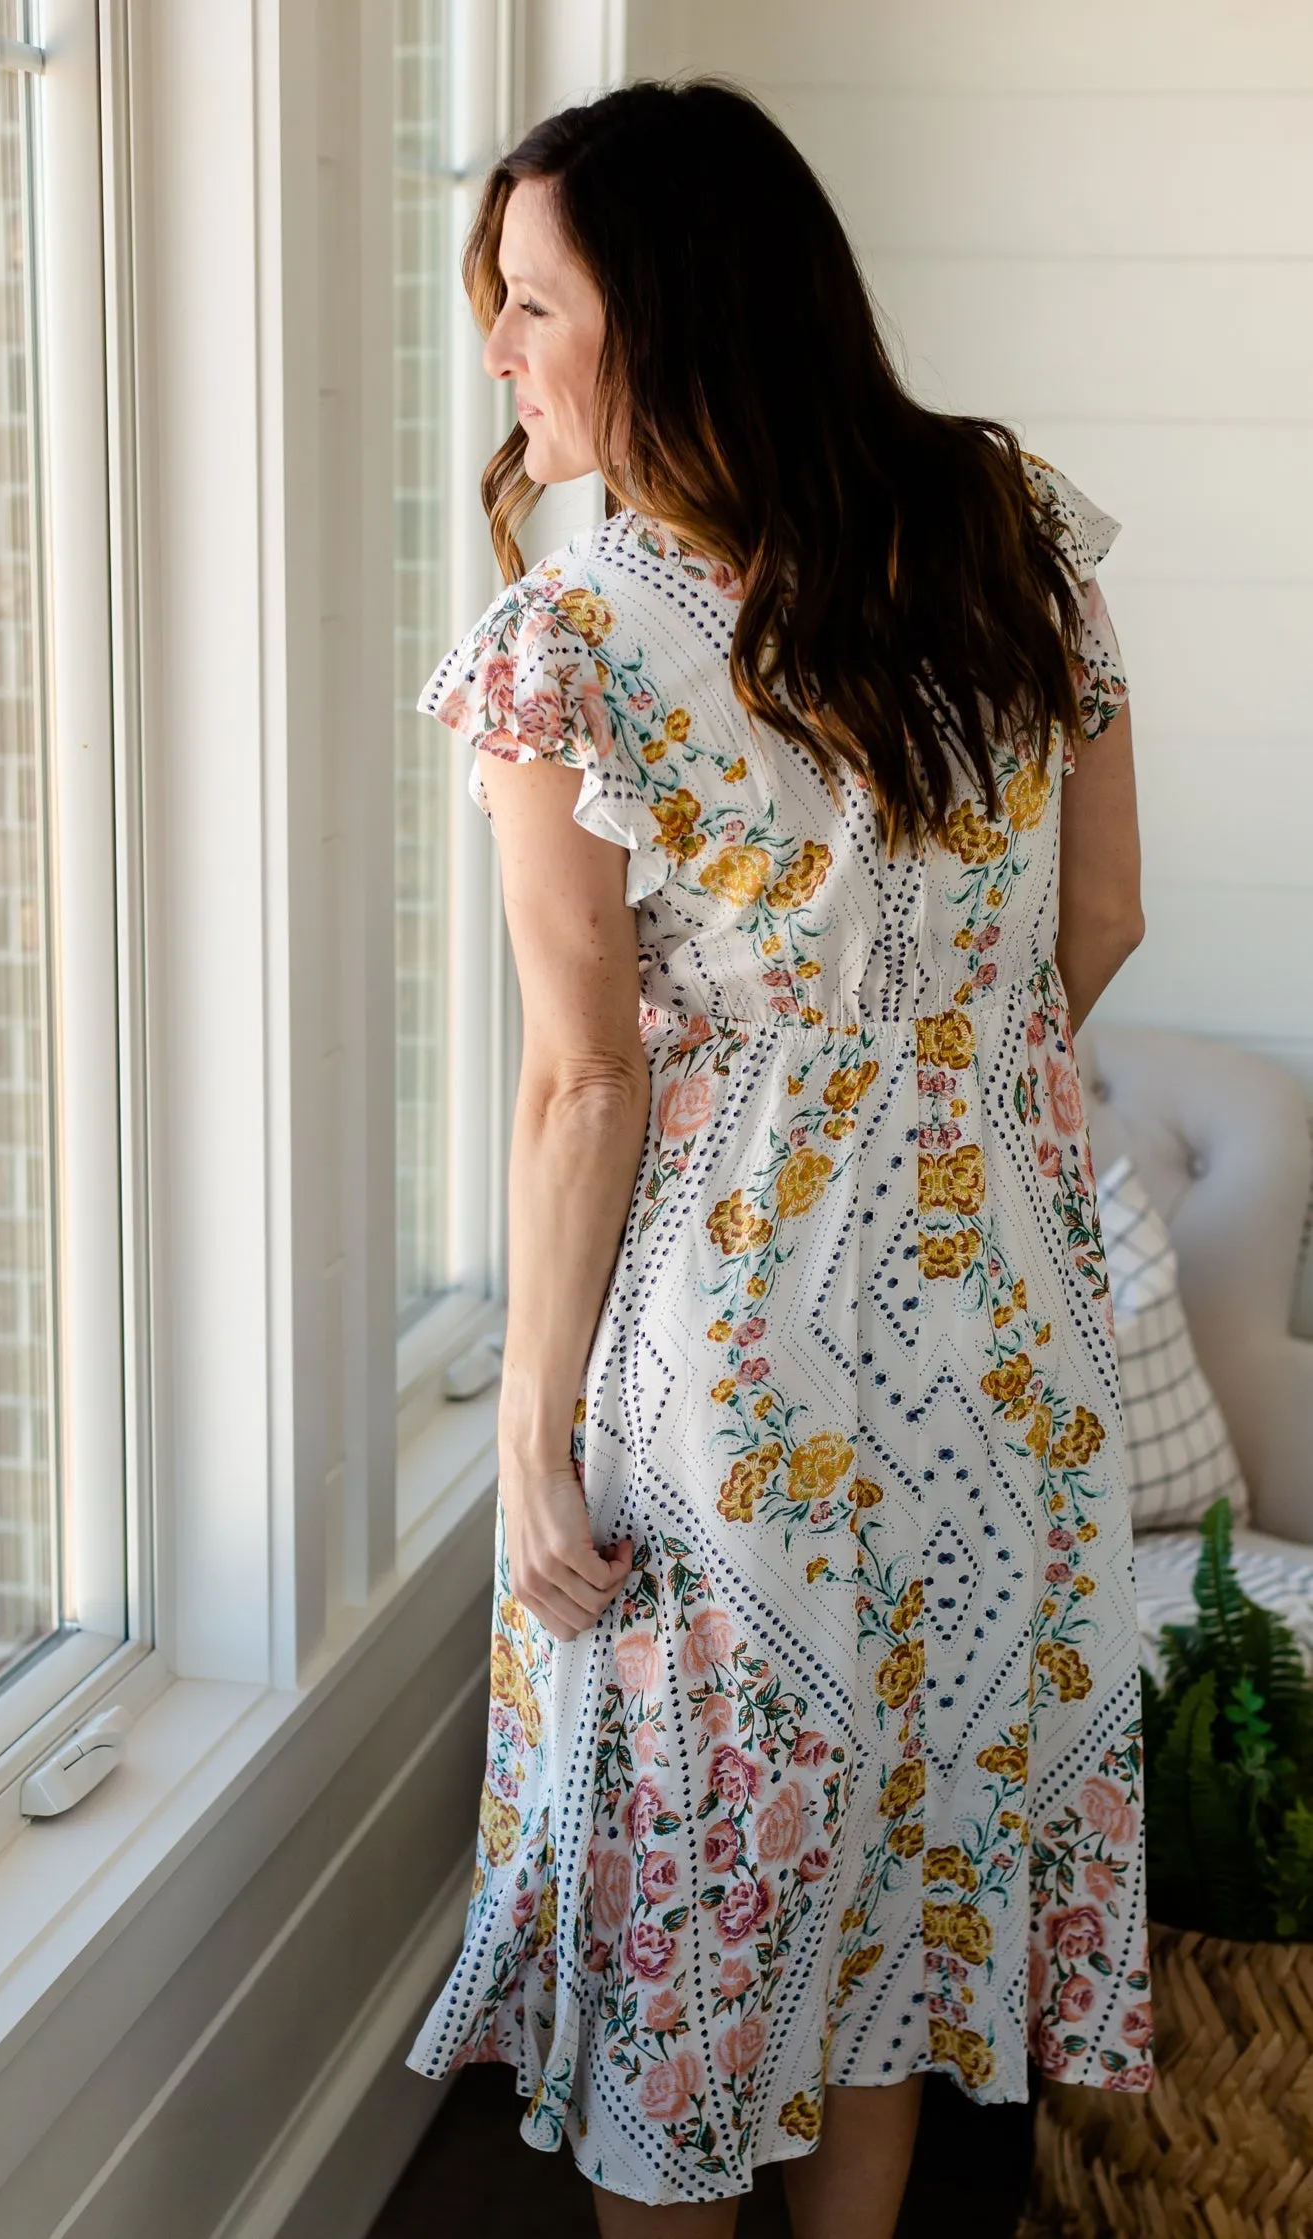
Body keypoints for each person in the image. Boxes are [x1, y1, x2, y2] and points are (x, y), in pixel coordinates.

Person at [405, 77, 1151, 2238]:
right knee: (883, 1940)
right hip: (1011, 1355)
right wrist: (931, 1109)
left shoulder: (572, 646)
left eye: (530, 303)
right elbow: (1092, 925)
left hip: (736, 1380)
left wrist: (533, 1433)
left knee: (698, 1958)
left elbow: (582, 1084)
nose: (498, 354)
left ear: (671, 318)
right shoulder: (1000, 526)